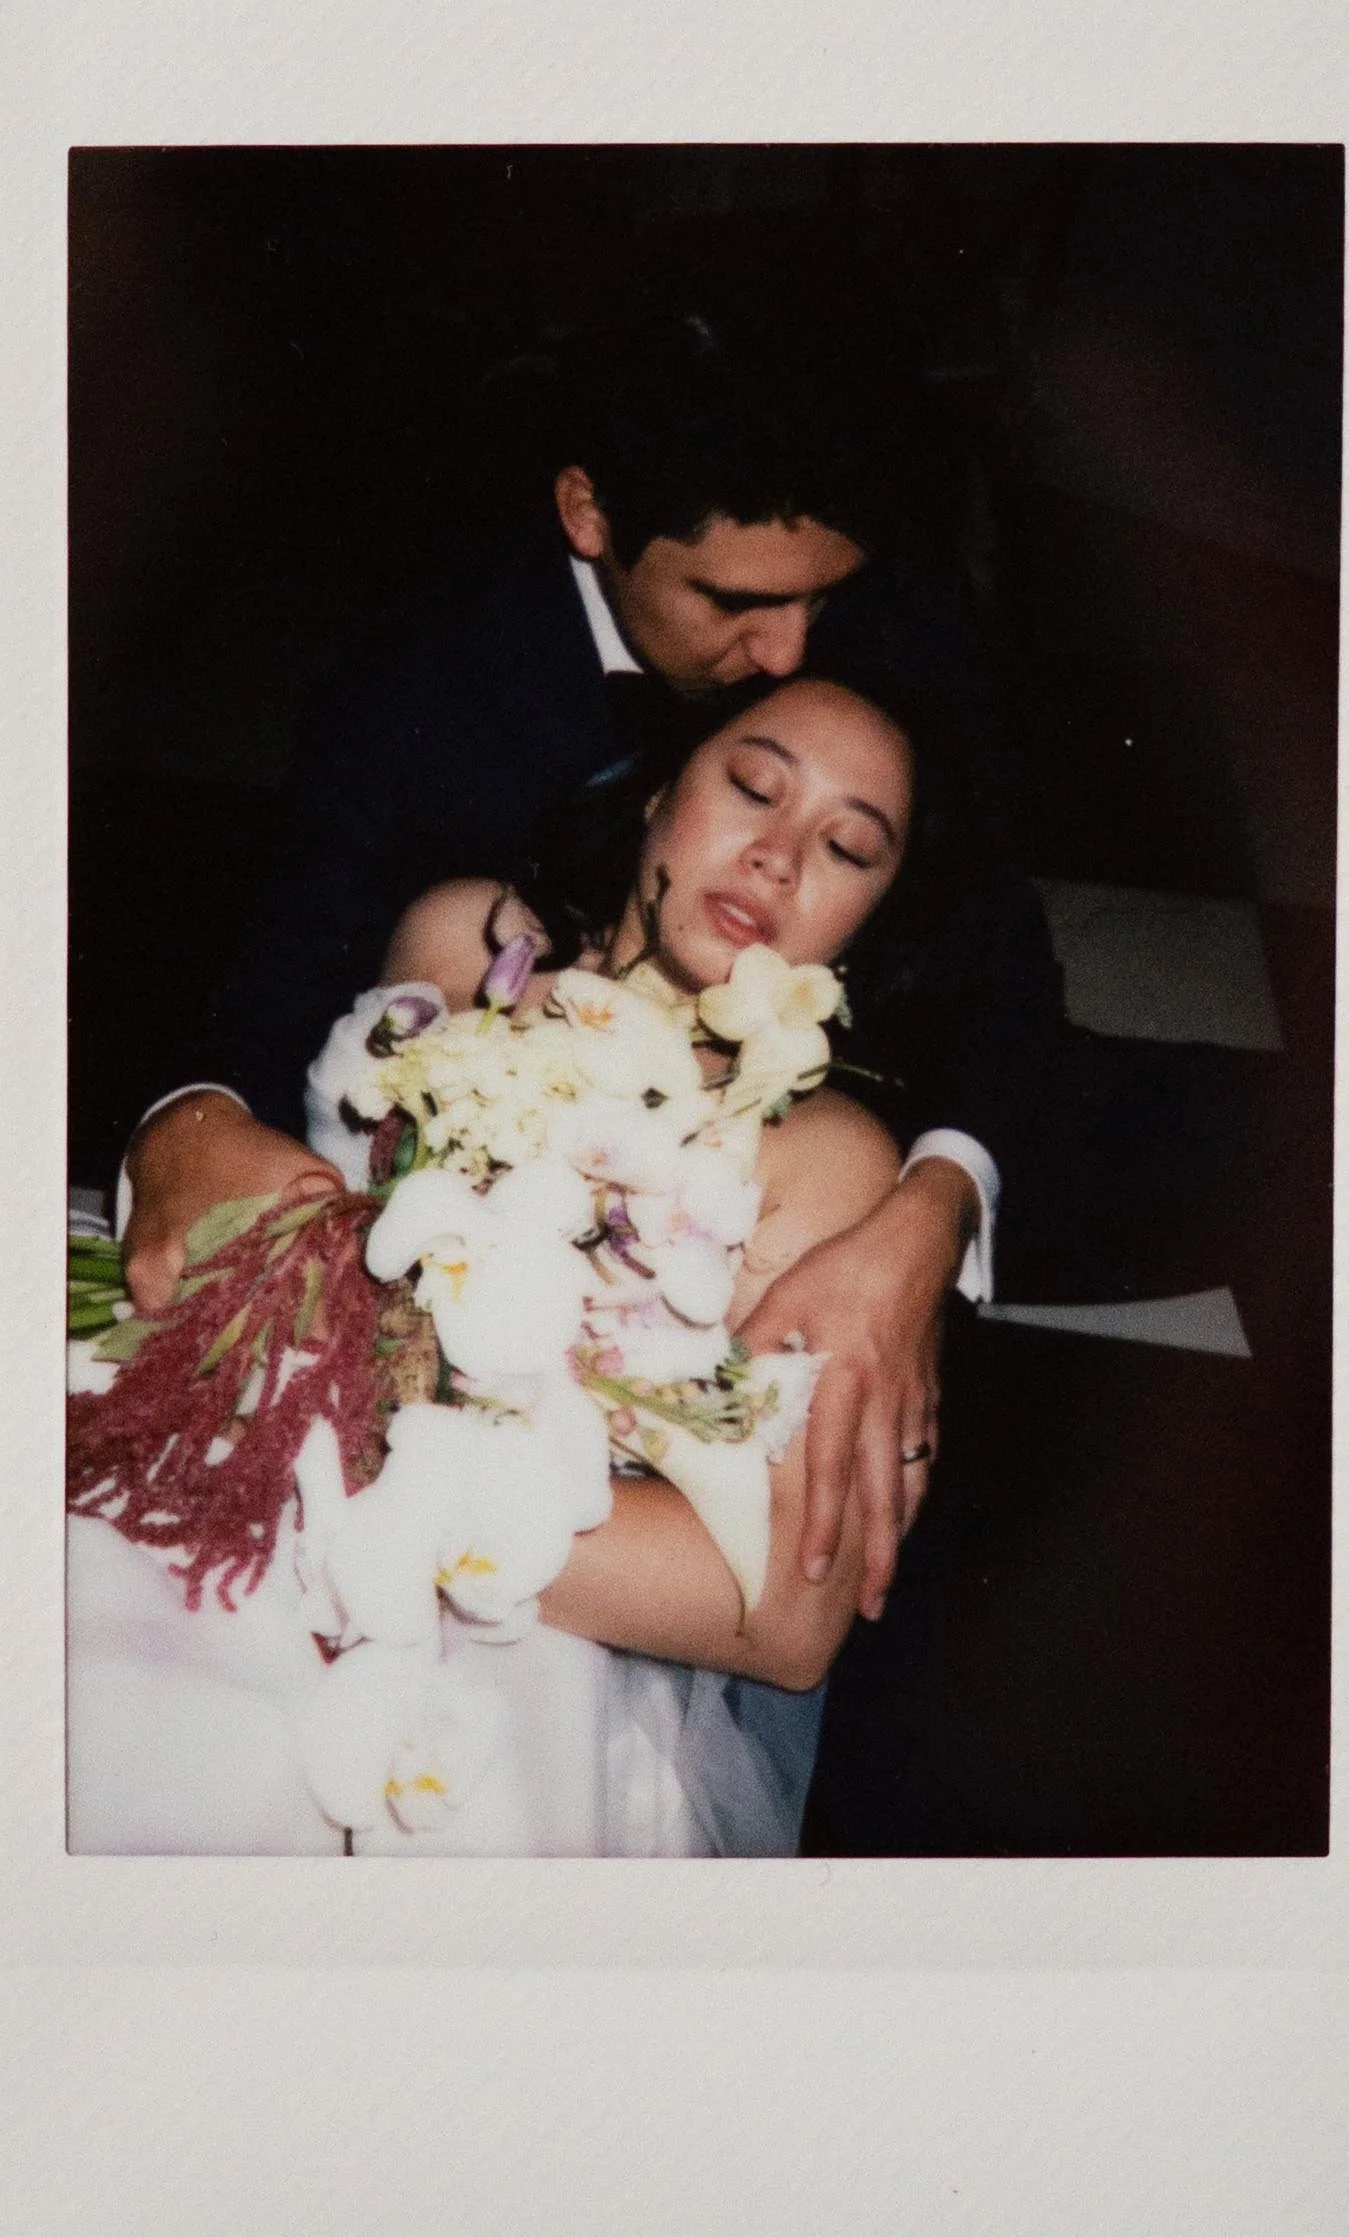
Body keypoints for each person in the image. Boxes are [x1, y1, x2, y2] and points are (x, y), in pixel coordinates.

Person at [115, 274, 1064, 1634]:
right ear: (588, 514)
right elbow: (272, 962)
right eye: (738, 600)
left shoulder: (864, 629)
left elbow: (1007, 981)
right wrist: (187, 1120)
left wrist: (926, 1218)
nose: (789, 652)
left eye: (823, 603)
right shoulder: (422, 691)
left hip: (708, 1317)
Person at [69, 677, 939, 1856]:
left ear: (865, 925)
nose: (780, 857)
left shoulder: (824, 1154)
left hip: (505, 1591)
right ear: (657, 796)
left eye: (845, 847)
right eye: (751, 786)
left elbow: (789, 1618)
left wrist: (371, 1431)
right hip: (240, 1414)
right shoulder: (469, 937)